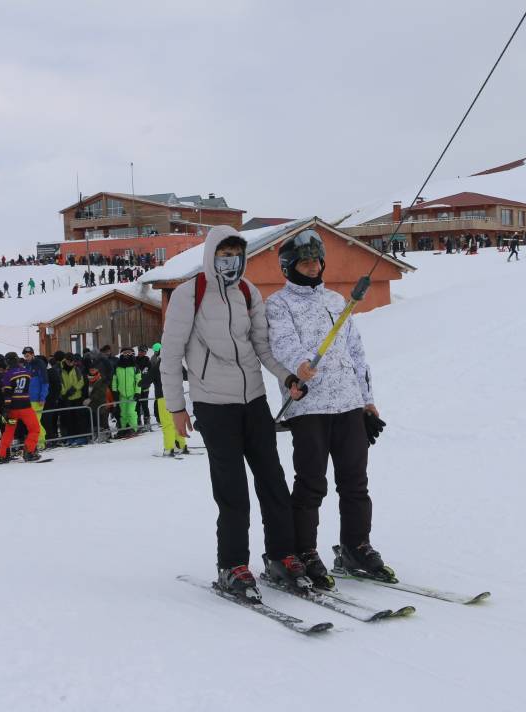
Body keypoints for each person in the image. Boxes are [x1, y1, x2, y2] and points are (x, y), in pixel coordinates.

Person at [160, 224, 311, 600]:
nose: (231, 262)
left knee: (273, 483)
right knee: (232, 491)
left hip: (254, 401)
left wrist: (287, 375)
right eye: (224, 255)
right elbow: (170, 354)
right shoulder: (188, 294)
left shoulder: (248, 292)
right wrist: (176, 407)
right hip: (213, 405)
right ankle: (232, 566)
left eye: (236, 255)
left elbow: (263, 346)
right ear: (212, 256)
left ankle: (281, 557)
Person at [265, 229, 391, 589]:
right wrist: (300, 363)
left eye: (317, 260)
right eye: (305, 261)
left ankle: (356, 545)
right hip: (309, 407)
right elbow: (282, 342)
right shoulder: (278, 304)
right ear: (289, 266)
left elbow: (356, 353)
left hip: (348, 404)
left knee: (355, 482)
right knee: (311, 483)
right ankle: (303, 551)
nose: (313, 266)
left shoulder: (338, 301)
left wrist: (366, 398)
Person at [0, 352, 42, 463]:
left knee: (9, 431)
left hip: (13, 409)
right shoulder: (27, 372)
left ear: (7, 362)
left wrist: (6, 408)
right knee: (35, 429)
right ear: (17, 360)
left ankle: (3, 455)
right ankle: (29, 452)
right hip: (26, 408)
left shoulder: (7, 375)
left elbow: (7, 393)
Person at [150, 342, 187, 456]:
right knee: (178, 422)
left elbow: (147, 379)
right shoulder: (177, 363)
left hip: (163, 397)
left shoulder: (159, 365)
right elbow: (186, 376)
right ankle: (182, 445)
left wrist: (142, 382)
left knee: (167, 423)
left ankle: (169, 448)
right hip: (176, 396)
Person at [21, 346, 49, 450]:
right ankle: (40, 439)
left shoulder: (39, 364)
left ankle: (41, 443)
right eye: (25, 355)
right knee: (34, 423)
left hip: (37, 400)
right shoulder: (27, 365)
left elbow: (45, 382)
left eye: (28, 355)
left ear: (32, 354)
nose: (26, 357)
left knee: (35, 423)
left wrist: (42, 397)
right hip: (29, 399)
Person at [58, 352, 88, 445]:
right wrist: (64, 393)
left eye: (72, 361)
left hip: (77, 397)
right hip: (67, 398)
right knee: (69, 419)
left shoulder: (77, 369)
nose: (71, 363)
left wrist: (74, 389)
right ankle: (71, 437)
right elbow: (60, 383)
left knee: (79, 419)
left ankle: (81, 437)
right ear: (66, 360)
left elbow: (81, 381)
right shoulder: (61, 370)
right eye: (69, 361)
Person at [111, 346, 141, 437]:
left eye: (129, 353)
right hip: (122, 394)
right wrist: (115, 392)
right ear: (121, 355)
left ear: (132, 355)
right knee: (123, 413)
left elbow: (138, 381)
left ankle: (134, 428)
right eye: (124, 353)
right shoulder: (117, 367)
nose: (126, 355)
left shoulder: (135, 367)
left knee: (131, 412)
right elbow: (114, 380)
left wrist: (137, 392)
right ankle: (123, 429)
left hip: (132, 393)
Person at [135, 345, 153, 429]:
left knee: (145, 405)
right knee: (137, 405)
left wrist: (148, 382)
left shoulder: (148, 362)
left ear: (145, 352)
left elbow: (151, 374)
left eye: (142, 352)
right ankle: (138, 421)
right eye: (139, 351)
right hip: (136, 387)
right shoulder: (134, 360)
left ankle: (147, 421)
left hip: (145, 387)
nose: (140, 353)